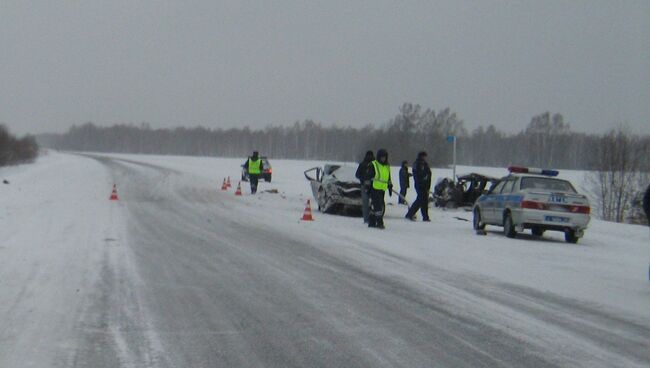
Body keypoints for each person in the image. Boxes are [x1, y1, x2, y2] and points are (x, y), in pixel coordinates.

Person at [366, 149, 392, 229]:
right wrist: (368, 187)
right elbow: (368, 177)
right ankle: (379, 222)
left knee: (376, 205)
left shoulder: (387, 166)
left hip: (382, 189)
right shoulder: (373, 164)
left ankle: (371, 221)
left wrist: (390, 185)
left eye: (384, 157)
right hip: (374, 188)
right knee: (378, 207)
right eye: (382, 157)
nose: (383, 159)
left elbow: (388, 177)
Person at [405, 151, 432, 222]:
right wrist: (423, 179)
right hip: (420, 185)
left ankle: (423, 216)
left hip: (425, 185)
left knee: (423, 201)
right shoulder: (417, 164)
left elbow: (428, 174)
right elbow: (417, 175)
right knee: (421, 200)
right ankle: (413, 214)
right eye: (424, 156)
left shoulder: (425, 164)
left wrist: (428, 184)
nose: (425, 158)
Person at [355, 150, 374, 223]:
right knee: (374, 203)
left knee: (365, 204)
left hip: (364, 185)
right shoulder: (374, 164)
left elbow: (357, 175)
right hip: (374, 186)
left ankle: (366, 219)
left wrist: (363, 179)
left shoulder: (362, 164)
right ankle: (373, 218)